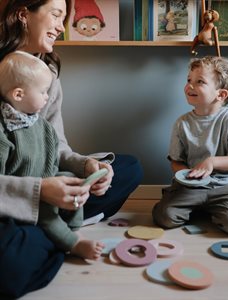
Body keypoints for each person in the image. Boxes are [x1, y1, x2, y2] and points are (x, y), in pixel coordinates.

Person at [0, 1, 143, 298]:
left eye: (65, 18)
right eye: (55, 14)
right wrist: (40, 191)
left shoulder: (49, 73)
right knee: (9, 267)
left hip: (45, 184)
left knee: (127, 168)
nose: (61, 27)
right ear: (24, 14)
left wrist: (85, 167)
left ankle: (55, 226)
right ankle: (60, 233)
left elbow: (57, 143)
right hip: (10, 191)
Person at [0, 50, 105, 261]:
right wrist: (41, 191)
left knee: (74, 180)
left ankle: (72, 228)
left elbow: (55, 155)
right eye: (43, 92)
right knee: (47, 212)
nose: (48, 97)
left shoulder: (42, 125)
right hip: (19, 196)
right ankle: (72, 242)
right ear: (18, 94)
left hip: (46, 179)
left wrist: (85, 167)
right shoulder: (4, 131)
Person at [152, 56, 228, 236]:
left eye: (200, 81)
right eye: (189, 80)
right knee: (164, 217)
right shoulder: (181, 123)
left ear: (221, 94)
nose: (190, 86)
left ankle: (214, 207)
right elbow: (176, 163)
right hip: (192, 186)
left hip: (226, 186)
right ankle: (203, 206)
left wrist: (212, 162)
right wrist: (185, 176)